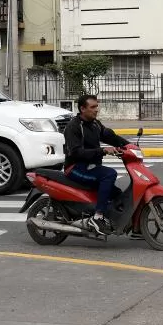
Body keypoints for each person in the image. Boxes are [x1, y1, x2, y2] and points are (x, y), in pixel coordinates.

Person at [63, 94, 129, 235]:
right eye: (92, 107)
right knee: (109, 174)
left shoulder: (95, 124)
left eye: (96, 106)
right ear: (82, 109)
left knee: (119, 196)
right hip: (75, 168)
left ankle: (134, 227)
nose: (96, 110)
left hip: (91, 168)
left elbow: (110, 136)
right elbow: (76, 153)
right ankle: (98, 217)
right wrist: (103, 150)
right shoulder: (73, 127)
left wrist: (128, 146)